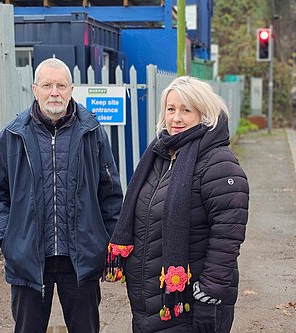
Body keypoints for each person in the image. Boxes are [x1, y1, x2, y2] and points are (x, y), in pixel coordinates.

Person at [0, 57, 123, 333]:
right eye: (47, 85)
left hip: (80, 259)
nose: (54, 92)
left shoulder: (92, 133)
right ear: (35, 90)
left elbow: (111, 194)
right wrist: (9, 239)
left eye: (60, 85)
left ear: (71, 89)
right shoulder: (14, 134)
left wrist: (106, 243)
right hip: (30, 259)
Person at [107, 76, 249, 332]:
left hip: (189, 303)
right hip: (149, 301)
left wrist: (208, 295)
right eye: (171, 109)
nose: (176, 118)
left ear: (204, 113)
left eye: (186, 110)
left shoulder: (219, 163)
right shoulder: (159, 155)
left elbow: (227, 237)